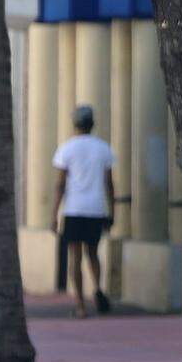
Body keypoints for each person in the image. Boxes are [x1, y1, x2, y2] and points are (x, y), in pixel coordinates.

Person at [51, 105, 115, 319]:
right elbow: (109, 183)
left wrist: (53, 214)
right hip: (96, 208)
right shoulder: (104, 148)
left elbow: (60, 184)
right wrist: (111, 211)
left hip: (74, 209)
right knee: (93, 253)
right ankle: (97, 288)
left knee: (75, 257)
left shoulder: (66, 149)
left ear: (74, 124)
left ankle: (80, 305)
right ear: (92, 124)